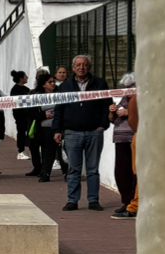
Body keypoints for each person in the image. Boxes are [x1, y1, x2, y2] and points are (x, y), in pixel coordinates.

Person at [52, 53, 112, 211]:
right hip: (72, 133)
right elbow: (59, 109)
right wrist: (57, 130)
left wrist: (102, 126)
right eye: (78, 65)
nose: (81, 67)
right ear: (73, 67)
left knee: (93, 169)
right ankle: (72, 200)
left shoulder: (100, 83)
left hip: (94, 132)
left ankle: (93, 200)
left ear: (89, 66)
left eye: (84, 65)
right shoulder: (65, 87)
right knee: (73, 169)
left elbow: (107, 104)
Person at [111, 72, 139, 219]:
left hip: (133, 137)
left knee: (135, 172)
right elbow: (112, 119)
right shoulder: (124, 99)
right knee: (121, 172)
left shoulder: (139, 99)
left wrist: (128, 112)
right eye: (126, 88)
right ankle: (127, 201)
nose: (128, 91)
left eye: (131, 88)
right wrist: (113, 112)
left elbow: (137, 118)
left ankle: (134, 204)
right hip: (121, 138)